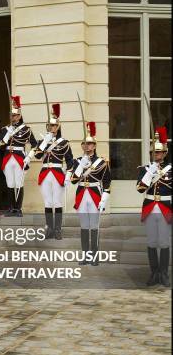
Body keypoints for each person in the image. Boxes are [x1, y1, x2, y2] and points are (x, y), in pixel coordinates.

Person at [26, 103, 74, 239]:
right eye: (49, 125)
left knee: (57, 202)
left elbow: (70, 160)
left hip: (58, 173)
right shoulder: (43, 140)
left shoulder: (64, 143)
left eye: (53, 125)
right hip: (45, 173)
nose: (51, 127)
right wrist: (44, 142)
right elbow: (38, 156)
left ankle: (58, 229)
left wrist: (68, 176)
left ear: (58, 127)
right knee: (47, 203)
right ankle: (49, 228)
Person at [69, 122, 111, 266]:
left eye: (89, 144)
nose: (86, 146)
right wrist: (81, 166)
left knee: (94, 226)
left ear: (94, 146)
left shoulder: (102, 163)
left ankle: (95, 256)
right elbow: (74, 180)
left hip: (94, 194)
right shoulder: (78, 161)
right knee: (84, 226)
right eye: (84, 144)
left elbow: (107, 182)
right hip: (81, 194)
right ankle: (85, 256)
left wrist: (104, 198)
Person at [136, 127, 171, 286]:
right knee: (151, 241)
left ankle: (163, 274)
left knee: (163, 242)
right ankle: (154, 273)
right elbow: (140, 189)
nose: (156, 155)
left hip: (165, 208)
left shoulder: (170, 170)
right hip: (150, 208)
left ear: (165, 153)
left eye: (159, 153)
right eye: (154, 152)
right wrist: (150, 173)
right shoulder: (145, 169)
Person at [0, 96, 38, 216]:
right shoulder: (5, 129)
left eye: (15, 115)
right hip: (8, 158)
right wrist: (7, 136)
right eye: (11, 115)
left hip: (20, 158)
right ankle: (11, 208)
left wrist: (29, 157)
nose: (13, 117)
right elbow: (0, 146)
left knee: (19, 184)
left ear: (19, 116)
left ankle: (18, 208)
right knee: (10, 183)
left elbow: (35, 145)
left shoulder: (26, 130)